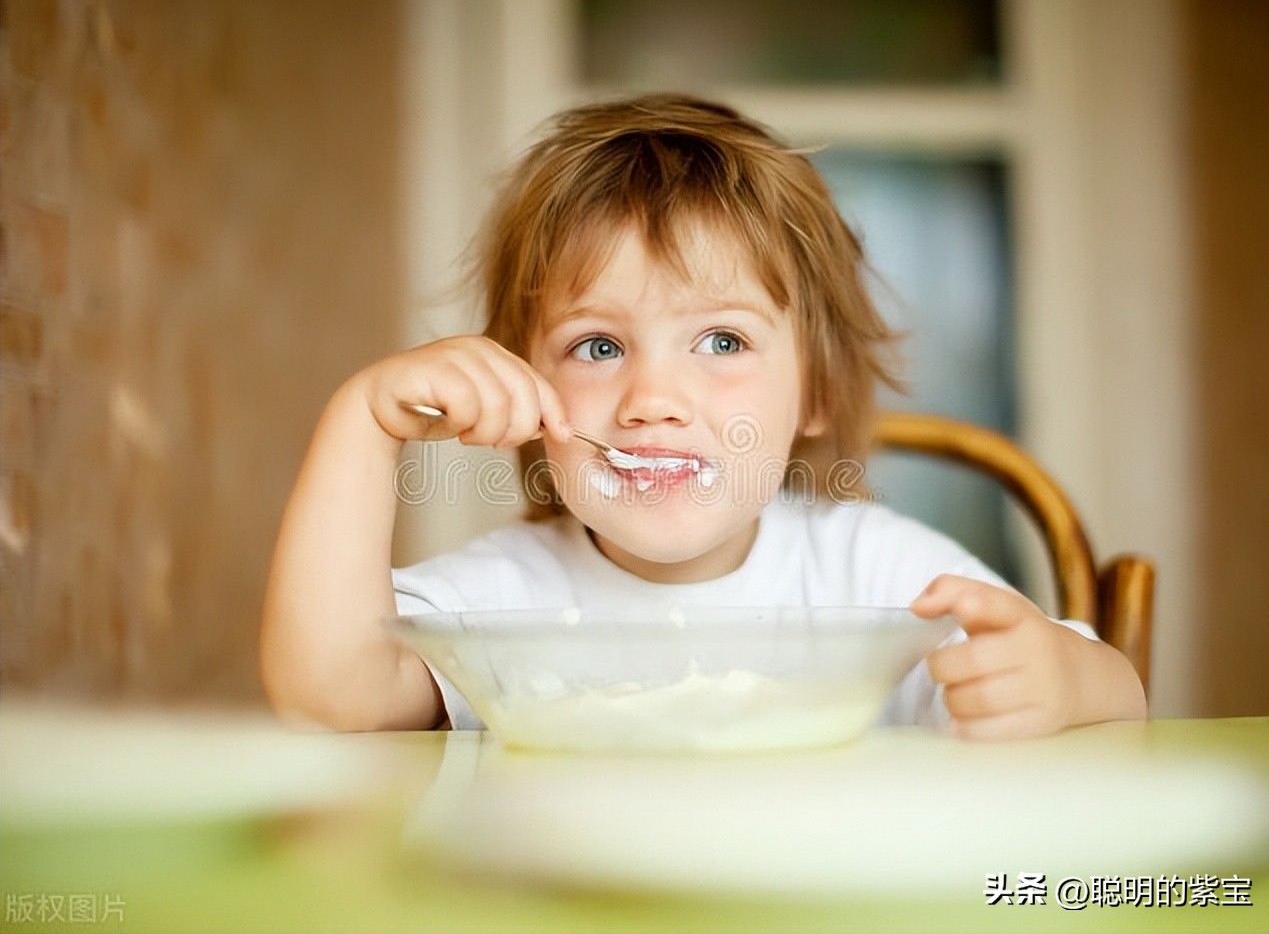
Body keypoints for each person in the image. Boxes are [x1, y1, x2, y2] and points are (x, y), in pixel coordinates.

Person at [260, 94, 1146, 740]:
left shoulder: (874, 573)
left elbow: (1120, 695)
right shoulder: (507, 602)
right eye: (598, 347)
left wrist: (1065, 681)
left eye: (721, 342)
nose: (653, 401)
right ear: (524, 397)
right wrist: (362, 423)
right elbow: (329, 693)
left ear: (818, 393)